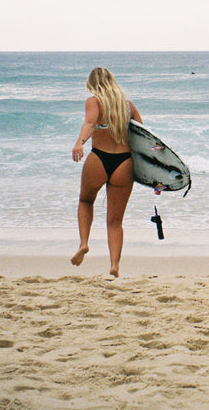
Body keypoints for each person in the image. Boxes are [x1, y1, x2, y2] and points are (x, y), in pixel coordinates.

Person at [70, 67, 142, 278]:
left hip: (99, 158)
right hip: (124, 163)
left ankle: (84, 244)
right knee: (115, 221)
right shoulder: (128, 106)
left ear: (92, 83)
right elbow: (141, 136)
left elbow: (90, 122)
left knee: (85, 201)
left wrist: (79, 143)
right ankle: (114, 266)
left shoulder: (94, 101)